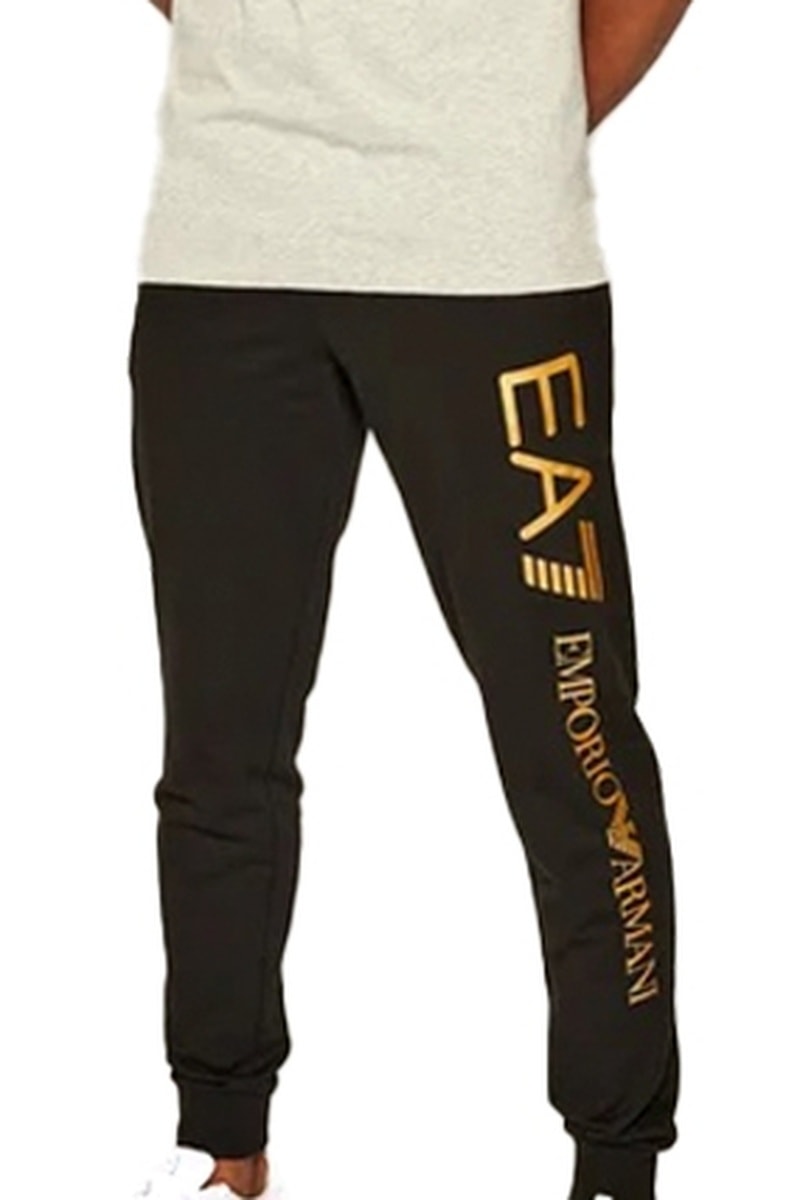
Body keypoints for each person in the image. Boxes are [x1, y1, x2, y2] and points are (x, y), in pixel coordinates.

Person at [126, 1, 693, 1197]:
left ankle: (615, 1165)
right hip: (225, 249)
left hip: (489, 260)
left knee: (570, 739)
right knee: (219, 748)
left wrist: (513, 123)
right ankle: (218, 1148)